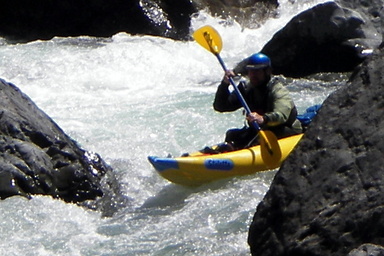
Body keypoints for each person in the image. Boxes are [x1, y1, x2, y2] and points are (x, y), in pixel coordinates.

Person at [212, 53, 302, 151]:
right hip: (260, 130)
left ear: (267, 71)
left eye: (257, 71)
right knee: (232, 135)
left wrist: (263, 119)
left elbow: (281, 116)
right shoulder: (247, 89)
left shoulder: (278, 91)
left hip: (284, 130)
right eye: (250, 71)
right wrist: (224, 84)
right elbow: (221, 106)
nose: (253, 75)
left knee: (257, 140)